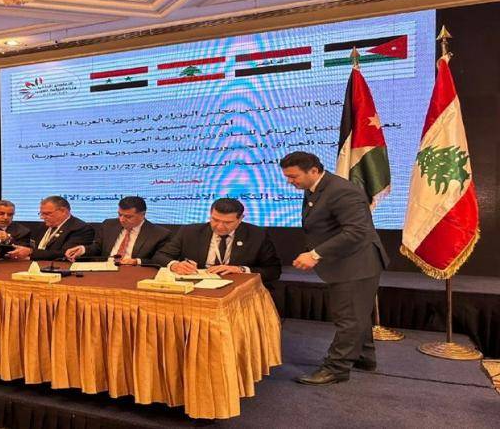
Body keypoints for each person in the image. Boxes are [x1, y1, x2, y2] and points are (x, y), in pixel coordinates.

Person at [280, 151, 389, 386]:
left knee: (348, 318)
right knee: (356, 314)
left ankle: (336, 368)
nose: (290, 181)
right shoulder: (315, 188)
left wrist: (315, 254)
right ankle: (364, 357)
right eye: (287, 177)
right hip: (344, 262)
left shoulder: (342, 191)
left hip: (357, 264)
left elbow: (356, 231)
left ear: (313, 171)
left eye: (293, 176)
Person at [152, 198, 281, 283]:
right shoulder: (190, 231)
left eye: (227, 222)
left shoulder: (257, 235)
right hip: (197, 287)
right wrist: (175, 265)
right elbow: (160, 256)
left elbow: (273, 271)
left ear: (240, 219)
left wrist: (241, 270)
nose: (219, 226)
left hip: (237, 288)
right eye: (215, 220)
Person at [65, 196, 171, 265]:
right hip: (105, 270)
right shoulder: (109, 225)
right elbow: (97, 247)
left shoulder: (159, 234)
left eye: (128, 216)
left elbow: (159, 259)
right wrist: (82, 249)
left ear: (142, 214)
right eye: (120, 214)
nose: (122, 219)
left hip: (134, 272)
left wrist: (137, 261)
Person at [6, 196, 94, 261]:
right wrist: (10, 242)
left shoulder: (81, 228)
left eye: (47, 214)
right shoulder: (43, 226)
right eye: (41, 213)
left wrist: (31, 252)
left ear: (63, 211)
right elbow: (30, 245)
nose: (42, 217)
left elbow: (65, 253)